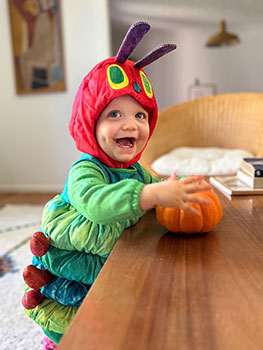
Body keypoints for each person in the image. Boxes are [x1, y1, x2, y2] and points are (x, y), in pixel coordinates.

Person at [21, 21, 211, 349]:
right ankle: (57, 327)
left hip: (114, 256)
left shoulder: (135, 171)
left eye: (141, 116)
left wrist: (174, 186)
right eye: (115, 115)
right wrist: (151, 193)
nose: (131, 124)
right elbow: (96, 203)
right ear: (89, 124)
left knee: (122, 294)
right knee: (83, 306)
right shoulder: (85, 170)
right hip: (79, 254)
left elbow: (154, 185)